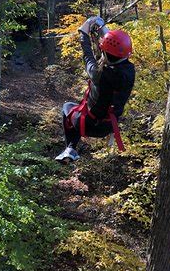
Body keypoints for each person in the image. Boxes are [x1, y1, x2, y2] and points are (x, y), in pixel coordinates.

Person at [55, 16, 135, 162]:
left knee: (67, 107)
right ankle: (70, 149)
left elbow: (88, 56)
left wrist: (83, 32)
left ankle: (70, 148)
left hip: (90, 125)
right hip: (110, 125)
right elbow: (116, 50)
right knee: (82, 108)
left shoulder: (99, 74)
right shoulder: (130, 71)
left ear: (105, 51)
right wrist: (102, 27)